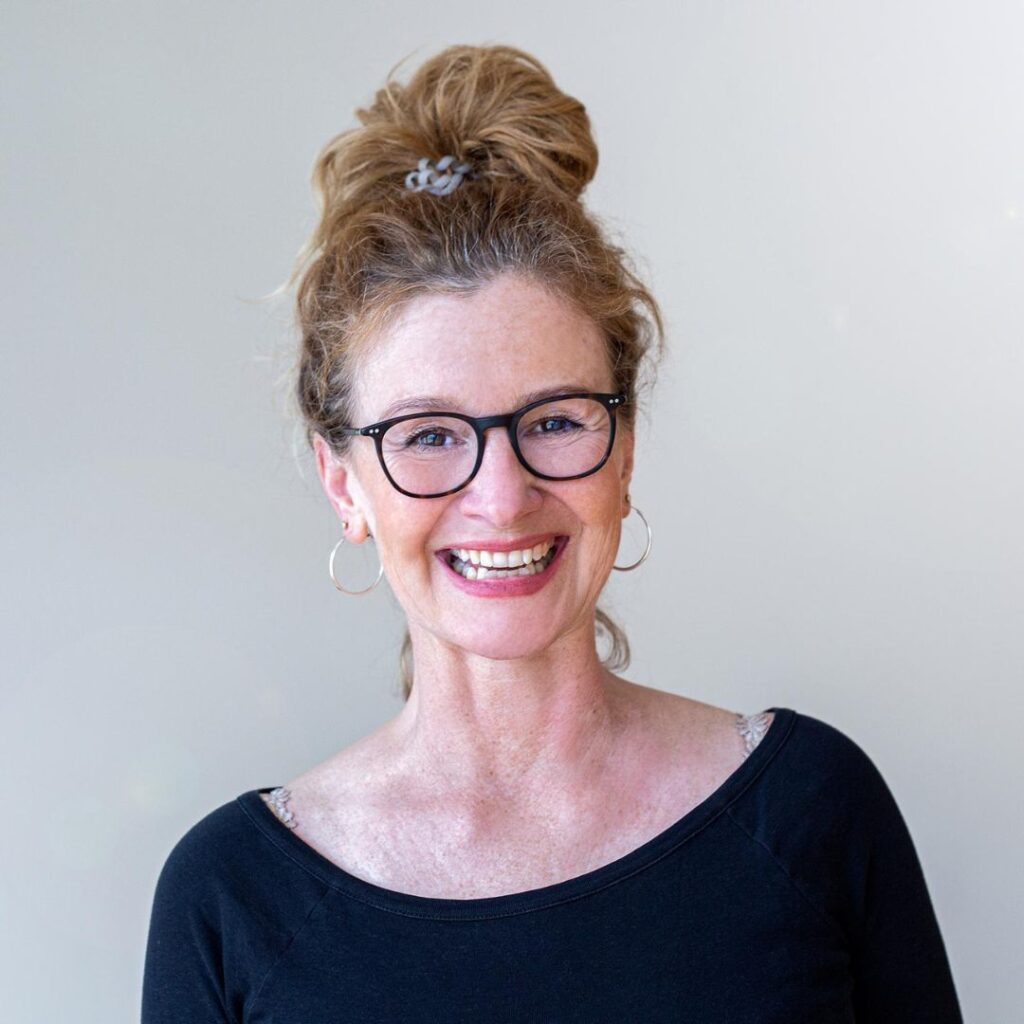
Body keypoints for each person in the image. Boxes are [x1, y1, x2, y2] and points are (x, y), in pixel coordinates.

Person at [141, 44, 963, 1022]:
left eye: (556, 421)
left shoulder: (812, 815)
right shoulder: (234, 900)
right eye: (429, 435)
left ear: (625, 449)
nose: (502, 497)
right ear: (342, 483)